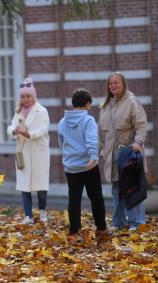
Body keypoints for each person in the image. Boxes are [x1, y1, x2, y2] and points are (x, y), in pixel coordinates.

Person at [99, 72, 147, 231]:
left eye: (116, 83)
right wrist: (99, 151)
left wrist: (138, 143)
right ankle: (118, 222)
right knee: (116, 189)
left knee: (132, 187)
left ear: (123, 84)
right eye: (110, 83)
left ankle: (137, 223)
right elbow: (101, 133)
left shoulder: (132, 102)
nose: (113, 85)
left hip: (128, 154)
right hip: (112, 156)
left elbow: (141, 126)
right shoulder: (105, 105)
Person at [57, 88, 107, 237]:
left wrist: (67, 158)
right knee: (96, 196)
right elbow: (91, 140)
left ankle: (74, 229)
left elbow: (62, 143)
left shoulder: (62, 122)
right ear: (87, 104)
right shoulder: (88, 120)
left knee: (74, 198)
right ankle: (101, 227)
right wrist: (93, 157)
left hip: (71, 166)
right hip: (88, 165)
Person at [7, 77, 50, 224]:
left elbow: (43, 130)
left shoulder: (42, 111)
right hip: (23, 152)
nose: (25, 99)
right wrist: (14, 131)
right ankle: (28, 215)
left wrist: (29, 134)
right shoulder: (18, 111)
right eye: (23, 96)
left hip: (38, 153)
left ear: (34, 96)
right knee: (24, 185)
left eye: (28, 96)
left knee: (41, 185)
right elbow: (10, 126)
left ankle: (43, 212)